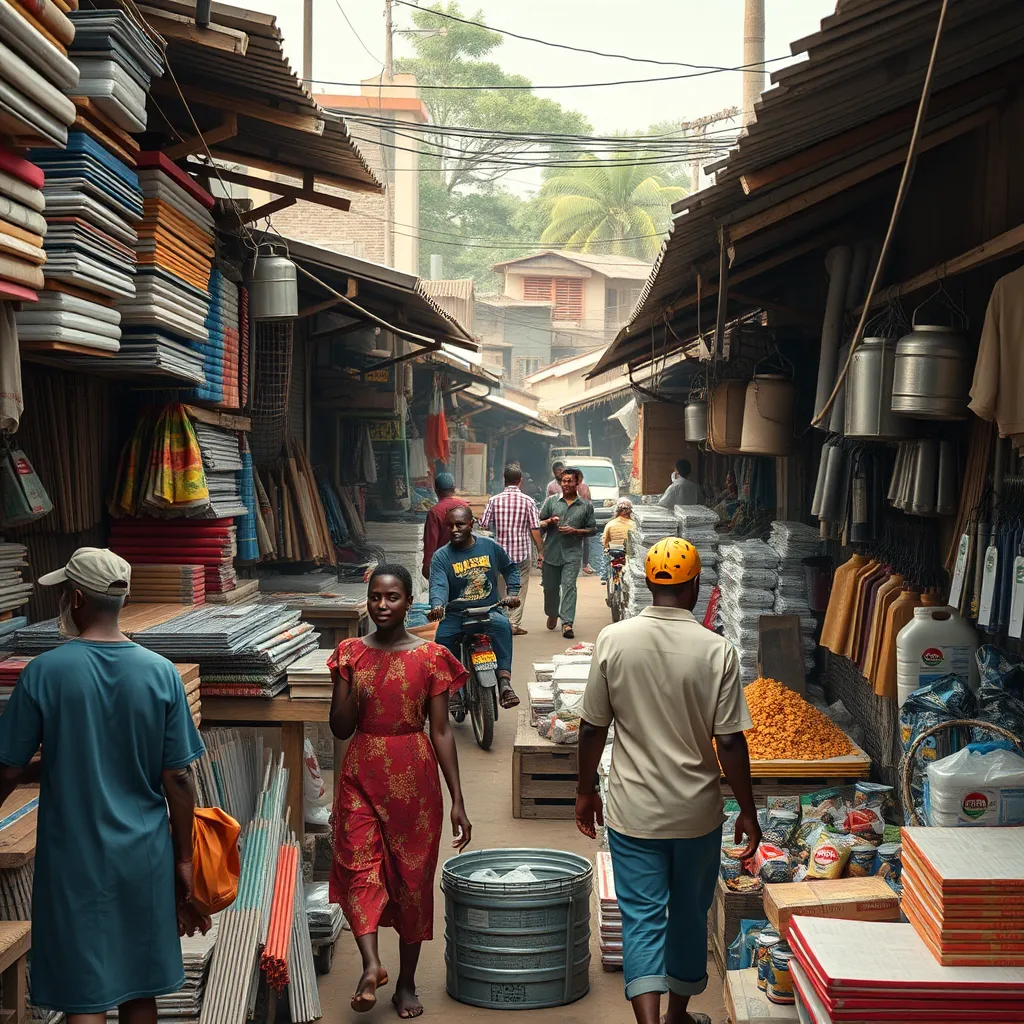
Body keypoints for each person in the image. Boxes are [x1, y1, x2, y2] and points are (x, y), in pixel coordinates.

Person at [0, 548, 206, 1023]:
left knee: (85, 995)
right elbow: (177, 776)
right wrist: (183, 859)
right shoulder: (160, 673)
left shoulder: (44, 673)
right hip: (145, 854)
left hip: (75, 860)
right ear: (123, 599)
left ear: (74, 599)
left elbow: (8, 768)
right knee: (140, 987)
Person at [575, 538, 761, 1024]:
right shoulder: (718, 650)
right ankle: (678, 1015)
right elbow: (732, 743)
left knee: (641, 918)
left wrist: (583, 790)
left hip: (634, 812)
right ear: (697, 585)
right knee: (687, 915)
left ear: (649, 582)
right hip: (697, 815)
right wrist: (748, 809)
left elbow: (593, 725)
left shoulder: (614, 640)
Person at [329, 563, 471, 1019]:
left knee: (412, 881)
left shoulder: (431, 657)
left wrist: (458, 801)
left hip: (414, 774)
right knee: (357, 866)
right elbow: (340, 727)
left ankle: (406, 981)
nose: (382, 606)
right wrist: (346, 678)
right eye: (375, 597)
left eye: (392, 598)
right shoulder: (350, 652)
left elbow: (442, 731)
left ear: (410, 602)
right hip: (361, 769)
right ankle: (372, 965)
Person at [428, 505, 522, 710]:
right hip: (455, 614)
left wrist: (512, 593)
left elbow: (510, 568)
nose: (454, 530)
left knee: (503, 627)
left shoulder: (490, 547)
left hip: (489, 610)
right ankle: (454, 689)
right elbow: (439, 584)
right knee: (442, 641)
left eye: (459, 525)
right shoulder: (441, 557)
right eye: (450, 526)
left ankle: (505, 682)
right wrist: (437, 605)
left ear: (471, 524)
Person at [480, 464, 543, 636]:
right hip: (522, 552)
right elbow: (535, 529)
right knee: (519, 588)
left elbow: (483, 524)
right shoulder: (529, 501)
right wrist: (540, 551)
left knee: (500, 587)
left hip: (499, 553)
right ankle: (513, 623)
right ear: (520, 481)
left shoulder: (494, 500)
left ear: (504, 480)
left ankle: (500, 621)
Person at [538, 468, 597, 640]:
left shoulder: (585, 506)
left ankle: (567, 623)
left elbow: (593, 529)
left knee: (569, 586)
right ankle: (552, 613)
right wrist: (549, 521)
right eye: (563, 481)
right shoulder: (551, 502)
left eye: (570, 481)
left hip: (572, 553)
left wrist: (576, 531)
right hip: (551, 552)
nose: (566, 484)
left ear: (577, 482)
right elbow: (538, 523)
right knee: (550, 588)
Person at [421, 472, 469, 579]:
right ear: (454, 488)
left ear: (436, 490)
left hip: (444, 563)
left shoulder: (434, 512)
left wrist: (426, 565)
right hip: (465, 561)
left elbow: (430, 542)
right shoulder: (465, 507)